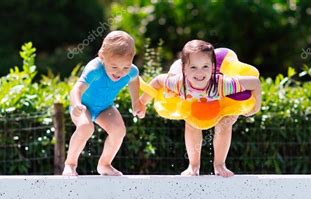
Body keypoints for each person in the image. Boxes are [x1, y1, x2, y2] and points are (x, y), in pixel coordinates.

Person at [140, 40, 261, 177]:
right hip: (189, 99)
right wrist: (142, 103)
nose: (200, 73)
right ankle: (193, 166)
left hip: (217, 97)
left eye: (205, 66)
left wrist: (255, 107)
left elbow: (254, 83)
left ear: (213, 67)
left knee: (224, 123)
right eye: (193, 67)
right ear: (185, 69)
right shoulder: (180, 83)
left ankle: (220, 165)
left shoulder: (222, 84)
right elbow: (157, 82)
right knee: (192, 124)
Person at [62, 31, 145, 176]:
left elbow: (134, 80)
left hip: (105, 108)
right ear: (102, 56)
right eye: (114, 67)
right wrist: (76, 104)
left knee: (119, 131)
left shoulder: (131, 72)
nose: (120, 72)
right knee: (86, 127)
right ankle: (70, 164)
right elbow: (77, 89)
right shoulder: (95, 69)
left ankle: (105, 164)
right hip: (82, 107)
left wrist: (136, 102)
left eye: (125, 67)